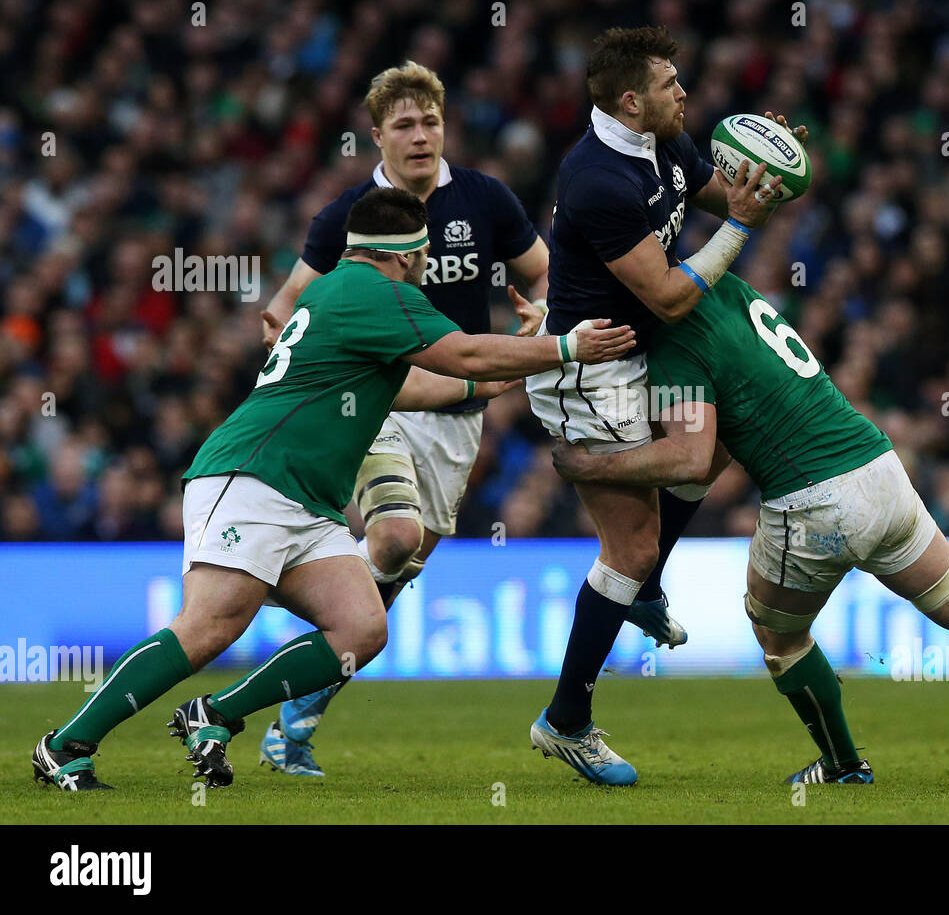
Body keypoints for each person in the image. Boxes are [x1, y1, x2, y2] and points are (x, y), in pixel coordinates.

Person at [31, 188, 636, 791]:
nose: (425, 264)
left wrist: (523, 359)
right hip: (254, 477)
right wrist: (563, 347)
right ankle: (65, 746)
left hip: (306, 501)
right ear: (407, 254)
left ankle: (214, 714)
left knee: (361, 628)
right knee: (209, 625)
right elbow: (468, 355)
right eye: (422, 252)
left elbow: (424, 389)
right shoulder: (379, 293)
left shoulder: (336, 293)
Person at [553, 272, 949, 785]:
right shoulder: (729, 290)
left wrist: (592, 464)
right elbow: (719, 445)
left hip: (813, 499)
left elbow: (688, 458)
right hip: (876, 464)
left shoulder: (672, 349)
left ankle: (844, 765)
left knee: (780, 638)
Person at [255, 61, 667, 776]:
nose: (420, 136)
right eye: (405, 125)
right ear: (376, 135)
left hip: (462, 409)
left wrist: (543, 308)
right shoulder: (350, 219)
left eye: (431, 121)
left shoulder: (484, 199)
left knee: (407, 557)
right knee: (392, 535)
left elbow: (544, 268)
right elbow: (284, 305)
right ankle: (291, 674)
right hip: (379, 403)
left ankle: (301, 704)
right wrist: (298, 358)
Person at [523, 26, 788, 785]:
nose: (686, 94)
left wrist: (767, 168)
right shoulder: (597, 180)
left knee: (720, 441)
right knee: (629, 546)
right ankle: (566, 718)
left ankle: (642, 586)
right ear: (632, 100)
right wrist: (742, 226)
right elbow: (671, 294)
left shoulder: (663, 140)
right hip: (592, 363)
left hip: (643, 349)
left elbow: (717, 190)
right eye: (672, 84)